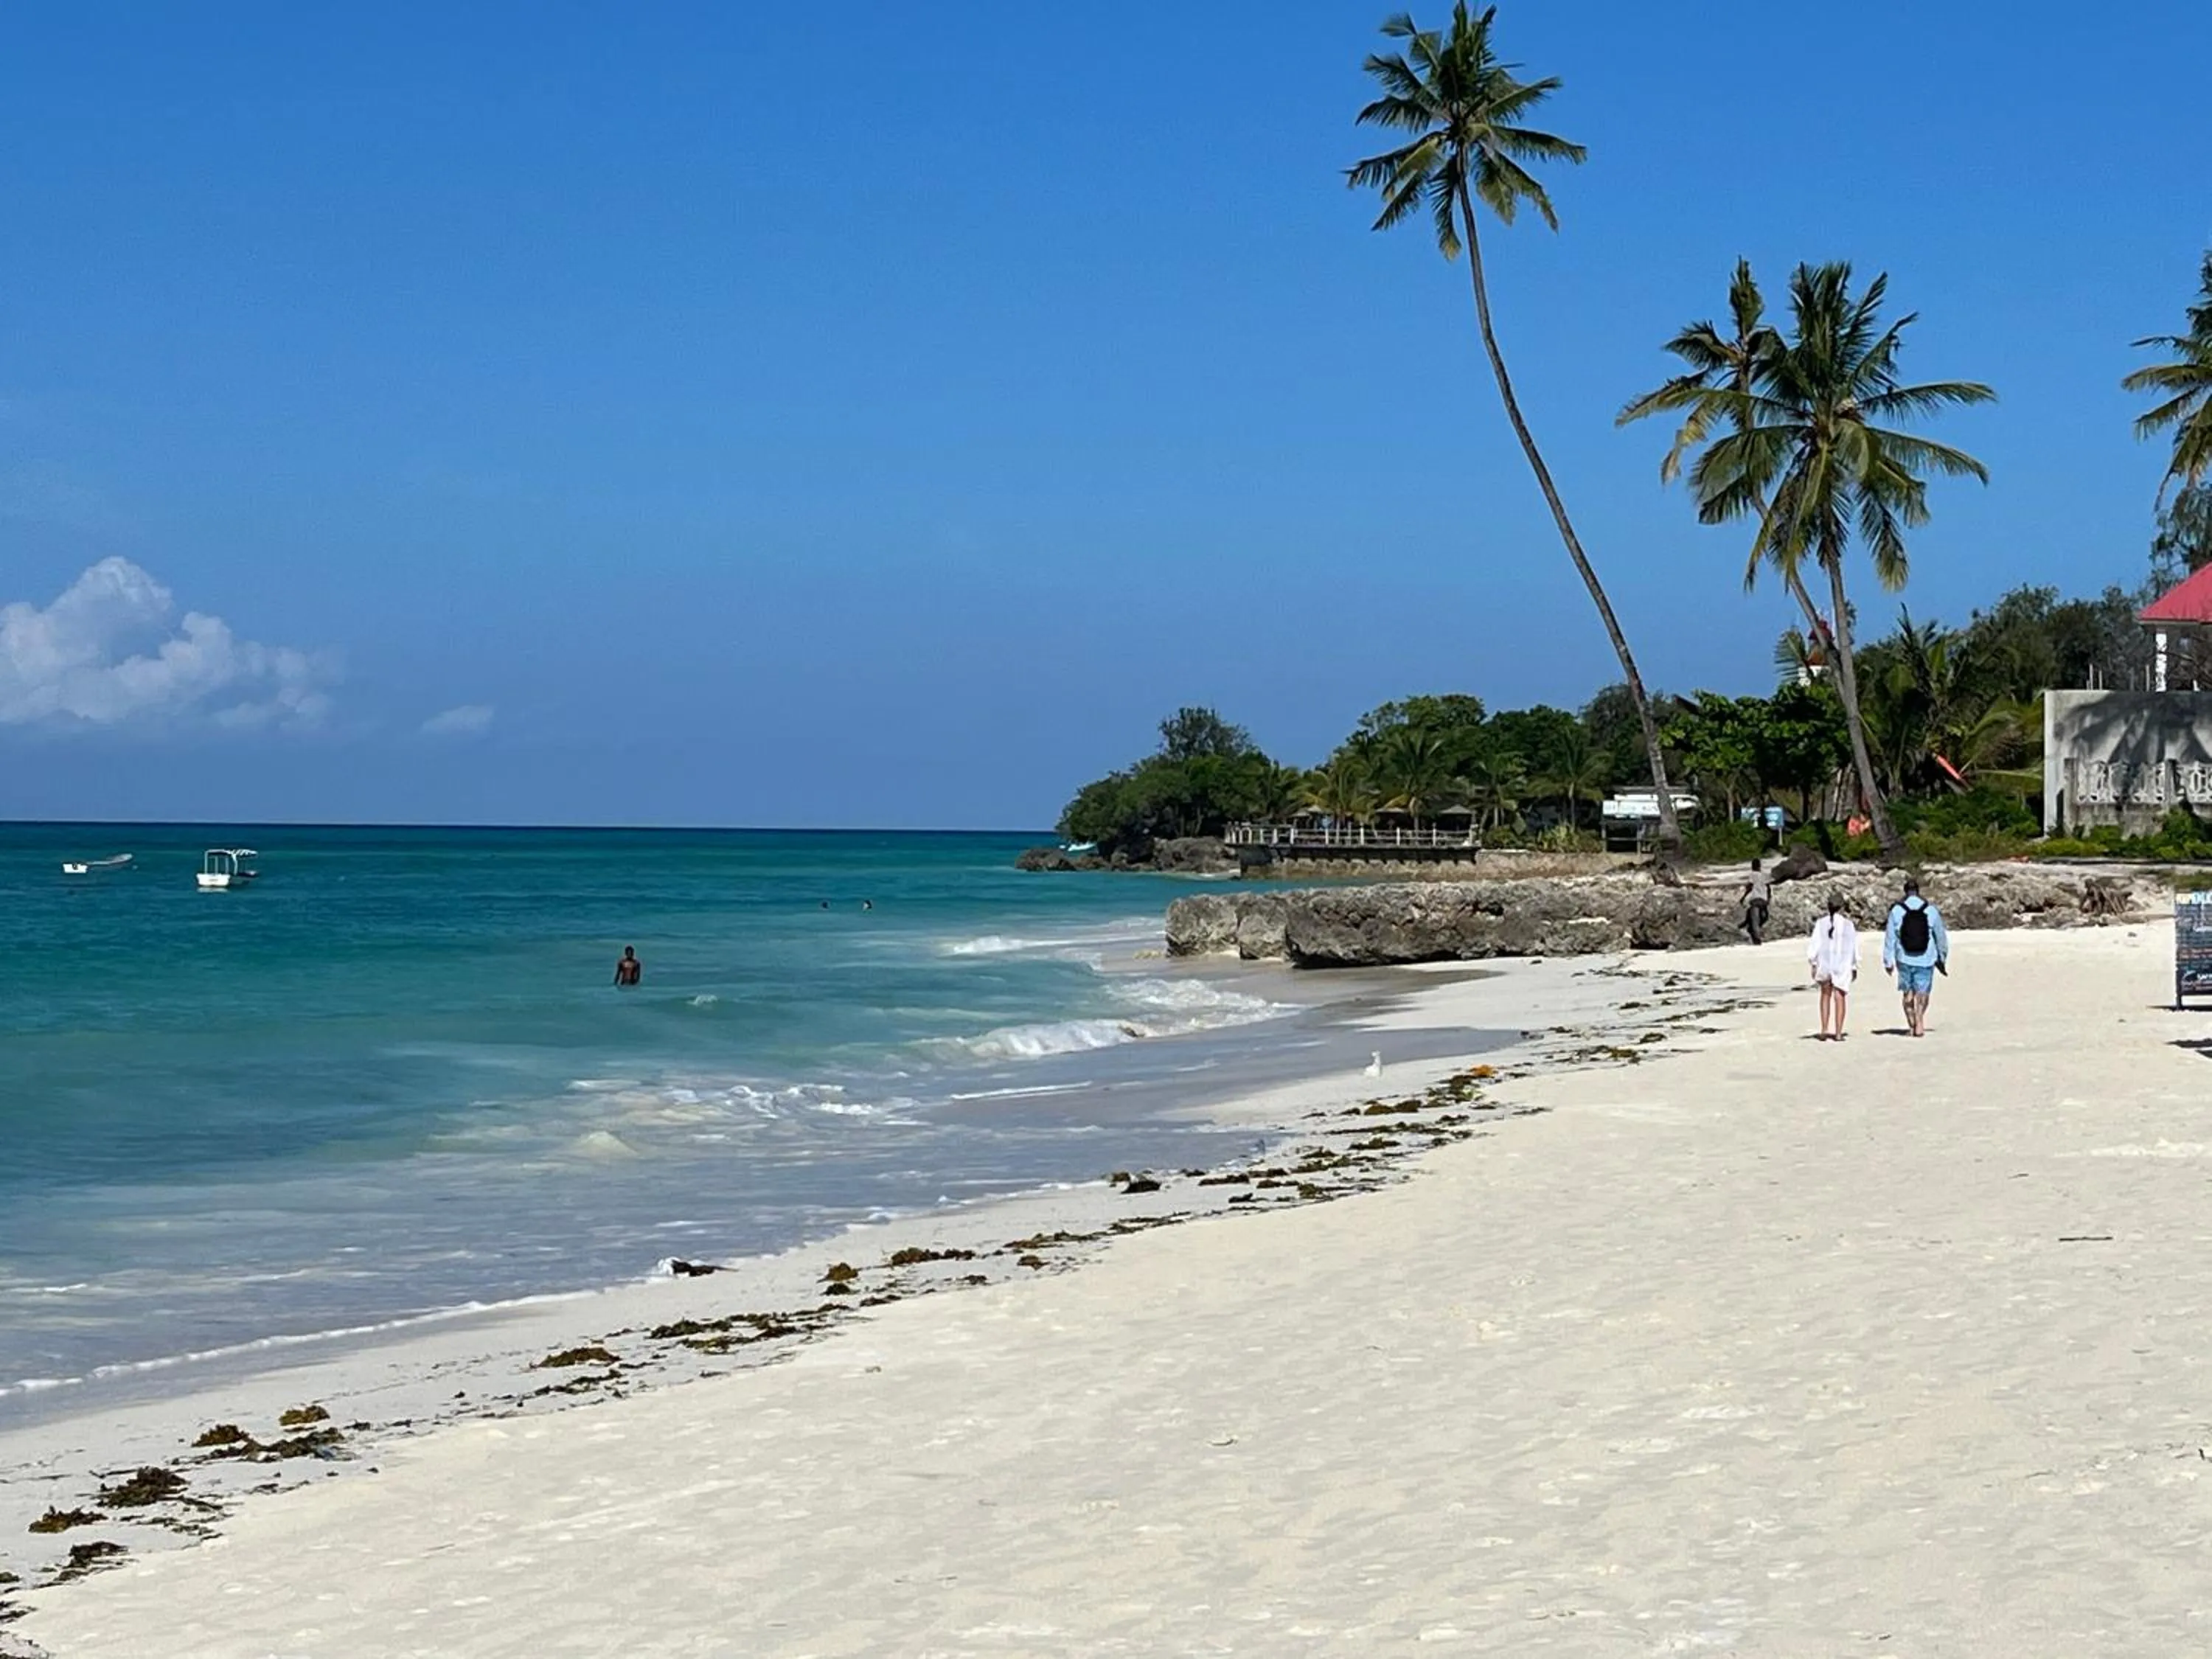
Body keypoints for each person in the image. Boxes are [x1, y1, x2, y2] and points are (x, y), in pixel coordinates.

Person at [1882, 877, 1949, 1037]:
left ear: (1905, 892)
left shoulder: (1897, 911)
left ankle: (1912, 1025)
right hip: (1926, 958)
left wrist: (1888, 961)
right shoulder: (1930, 910)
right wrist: (1942, 956)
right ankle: (1920, 1020)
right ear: (1918, 891)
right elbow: (1940, 936)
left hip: (1904, 958)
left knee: (1908, 993)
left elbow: (1890, 937)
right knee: (1923, 992)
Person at [1806, 893, 1859, 1041]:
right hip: (1842, 963)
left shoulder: (1821, 923)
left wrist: (1814, 963)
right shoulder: (1848, 925)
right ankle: (1838, 1032)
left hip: (1825, 961)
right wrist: (1854, 966)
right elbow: (1853, 947)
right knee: (1840, 996)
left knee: (1825, 995)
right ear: (1842, 908)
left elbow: (1815, 945)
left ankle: (1824, 1029)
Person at [1740, 858, 1773, 946]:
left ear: (1752, 866)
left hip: (1755, 900)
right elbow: (1769, 888)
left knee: (1755, 920)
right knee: (1764, 917)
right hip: (1763, 900)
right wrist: (1769, 898)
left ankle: (1756, 938)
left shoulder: (1753, 875)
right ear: (1760, 866)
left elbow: (1750, 887)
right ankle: (1755, 935)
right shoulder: (1764, 875)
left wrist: (1743, 897)